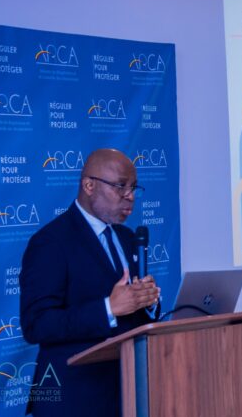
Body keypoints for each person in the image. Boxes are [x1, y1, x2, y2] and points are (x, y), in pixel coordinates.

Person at [20, 148, 161, 416]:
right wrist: (108, 308)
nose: (130, 196)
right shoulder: (50, 242)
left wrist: (147, 301)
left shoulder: (127, 237)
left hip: (128, 390)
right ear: (88, 185)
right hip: (74, 398)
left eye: (133, 187)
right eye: (120, 186)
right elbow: (36, 324)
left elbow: (133, 315)